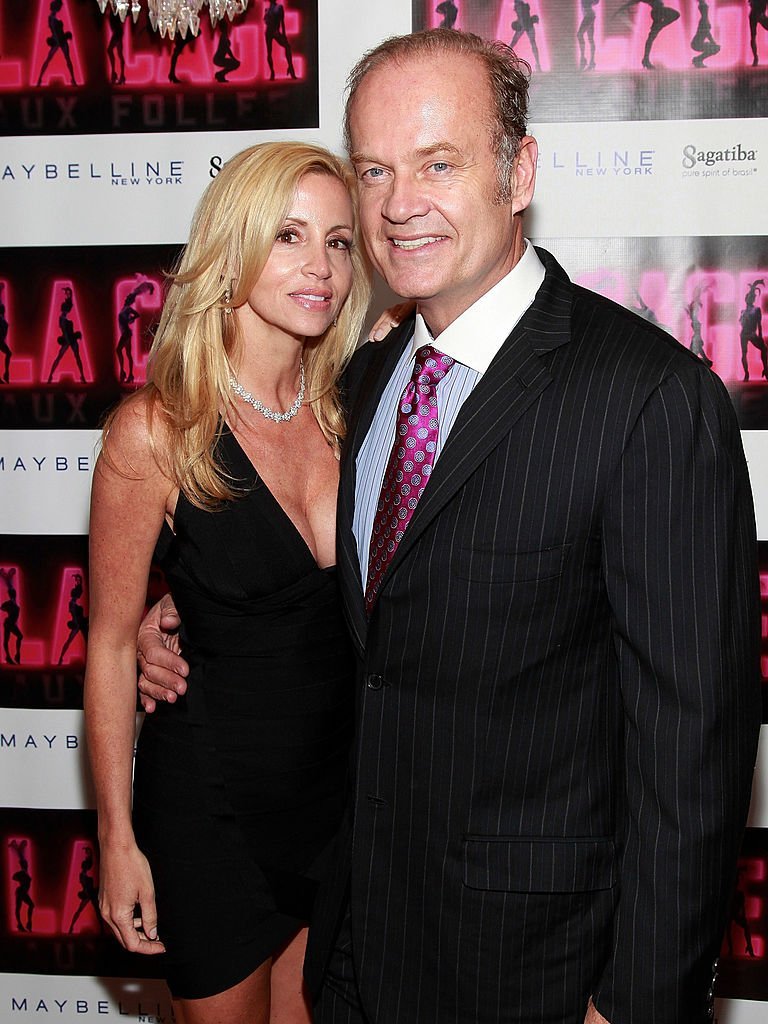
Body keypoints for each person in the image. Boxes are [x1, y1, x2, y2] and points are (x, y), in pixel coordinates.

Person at [138, 29, 761, 1024]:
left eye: (438, 162)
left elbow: (694, 755)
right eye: (374, 169)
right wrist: (178, 617)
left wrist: (634, 1004)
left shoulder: (646, 397)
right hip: (352, 942)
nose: (397, 204)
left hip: (536, 976)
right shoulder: (364, 381)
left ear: (519, 172)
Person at [84, 142, 371, 1024]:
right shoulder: (155, 431)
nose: (319, 267)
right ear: (231, 247)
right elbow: (105, 643)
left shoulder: (362, 406)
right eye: (288, 237)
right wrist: (117, 838)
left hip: (340, 803)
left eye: (339, 240)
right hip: (212, 813)